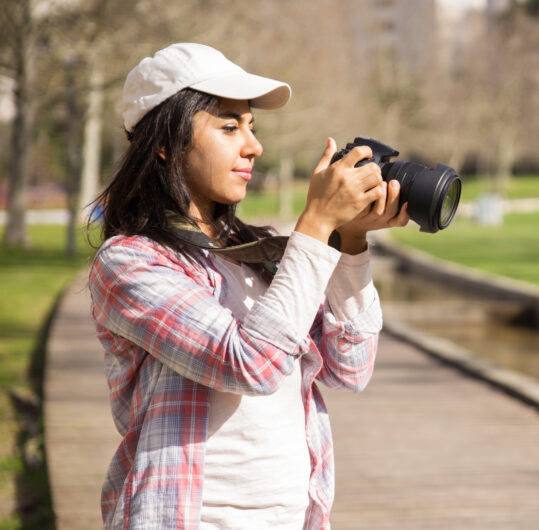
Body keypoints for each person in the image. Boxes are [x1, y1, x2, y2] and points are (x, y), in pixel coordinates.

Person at [87, 42, 409, 530]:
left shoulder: (255, 255)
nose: (253, 146)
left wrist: (351, 242)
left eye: (252, 128)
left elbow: (351, 367)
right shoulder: (131, 263)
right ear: (164, 142)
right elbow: (250, 364)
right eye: (229, 126)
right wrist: (316, 226)